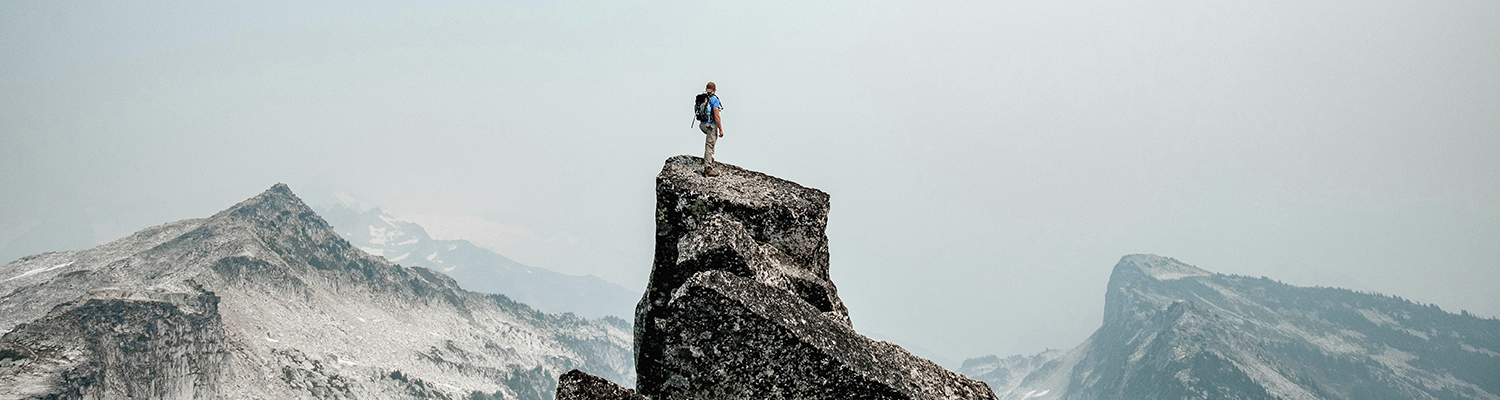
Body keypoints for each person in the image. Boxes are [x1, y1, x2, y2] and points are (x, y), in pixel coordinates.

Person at [699, 82, 724, 177]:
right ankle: (707, 168)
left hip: (702, 125)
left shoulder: (703, 98)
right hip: (711, 125)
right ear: (714, 90)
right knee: (710, 144)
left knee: (711, 141)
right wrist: (720, 129)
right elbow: (716, 116)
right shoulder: (714, 100)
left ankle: (708, 157)